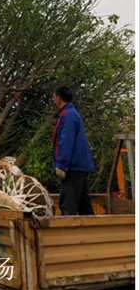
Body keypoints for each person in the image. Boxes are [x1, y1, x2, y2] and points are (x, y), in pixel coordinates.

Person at [52, 85, 95, 215]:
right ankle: (93, 233)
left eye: (54, 97)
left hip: (73, 167)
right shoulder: (72, 113)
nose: (53, 99)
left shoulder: (68, 115)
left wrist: (61, 165)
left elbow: (66, 141)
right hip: (79, 166)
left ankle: (67, 235)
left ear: (59, 98)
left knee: (67, 205)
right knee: (84, 206)